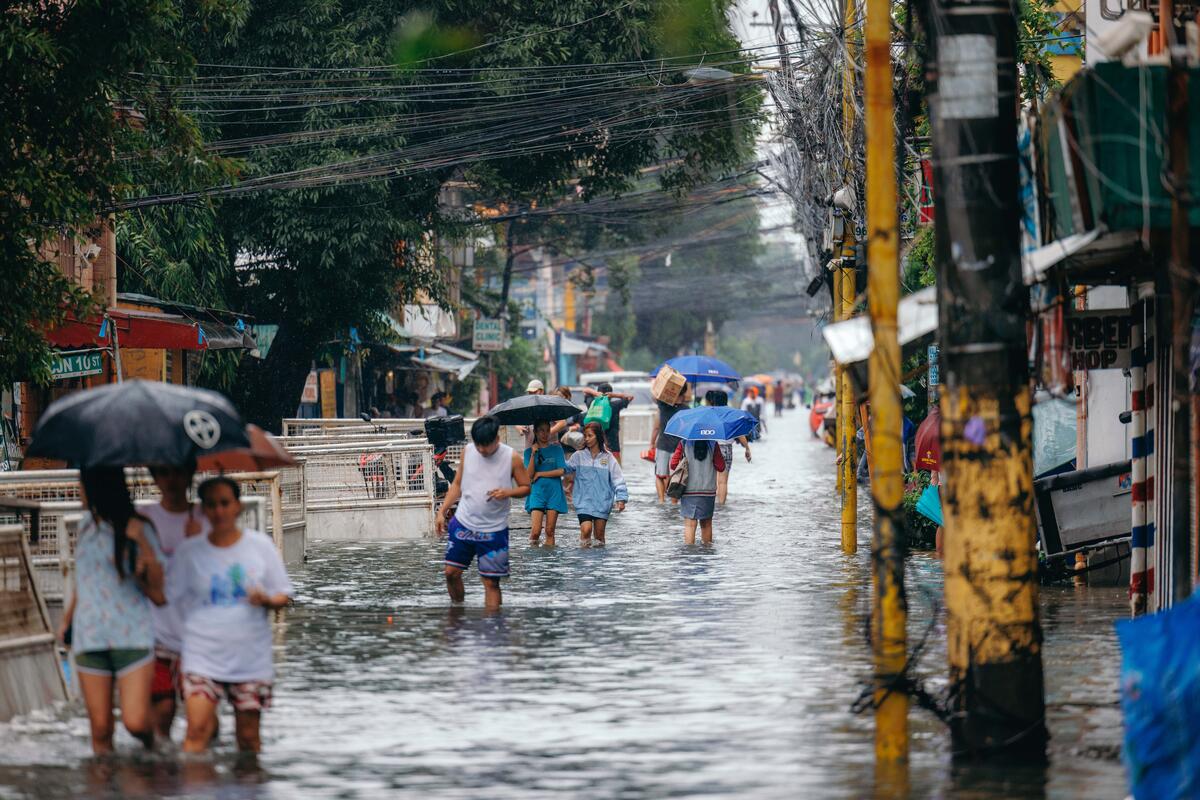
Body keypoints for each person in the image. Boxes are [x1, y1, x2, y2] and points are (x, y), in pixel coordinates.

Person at [169, 476, 294, 755]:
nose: (219, 511)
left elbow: (283, 595)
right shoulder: (190, 551)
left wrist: (265, 599)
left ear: (238, 506)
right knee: (196, 732)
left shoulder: (260, 546)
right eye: (211, 505)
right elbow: (170, 598)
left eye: (225, 503)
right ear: (203, 510)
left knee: (248, 740)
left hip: (249, 657)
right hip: (202, 655)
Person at [59, 467, 166, 754]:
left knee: (135, 722)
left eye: (82, 484)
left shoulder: (139, 527)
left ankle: (156, 749)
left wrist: (142, 546)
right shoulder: (85, 527)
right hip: (90, 635)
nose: (78, 490)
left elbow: (159, 594)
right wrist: (67, 621)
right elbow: (85, 580)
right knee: (101, 730)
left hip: (131, 635)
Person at [143, 463, 211, 740]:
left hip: (199, 637)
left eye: (178, 471)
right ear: (154, 476)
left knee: (204, 723)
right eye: (163, 472)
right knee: (162, 713)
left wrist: (197, 545)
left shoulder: (207, 519)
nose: (171, 479)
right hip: (155, 634)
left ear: (190, 473)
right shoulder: (143, 519)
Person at [437, 415, 531, 609]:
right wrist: (442, 510)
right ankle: (457, 613)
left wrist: (508, 492)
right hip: (463, 523)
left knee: (490, 583)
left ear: (496, 439)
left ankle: (493, 630)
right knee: (450, 573)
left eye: (485, 445)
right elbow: (457, 484)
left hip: (494, 529)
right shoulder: (468, 452)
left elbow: (526, 487)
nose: (481, 450)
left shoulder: (511, 457)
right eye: (478, 444)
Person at [564, 422, 628, 546]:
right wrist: (555, 453)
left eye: (590, 436)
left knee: (599, 537)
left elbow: (618, 479)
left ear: (598, 436)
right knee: (586, 529)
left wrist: (621, 499)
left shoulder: (608, 458)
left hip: (602, 502)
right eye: (585, 436)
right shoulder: (578, 456)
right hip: (583, 501)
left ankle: (598, 563)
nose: (586, 439)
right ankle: (584, 559)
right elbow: (565, 468)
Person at [669, 439, 727, 545]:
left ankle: (689, 553)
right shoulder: (713, 443)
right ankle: (707, 553)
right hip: (708, 490)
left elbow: (673, 465)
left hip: (688, 490)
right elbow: (721, 467)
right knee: (706, 524)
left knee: (690, 525)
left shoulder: (684, 443)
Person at [524, 420, 568, 546]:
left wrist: (541, 474)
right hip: (537, 492)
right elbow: (529, 475)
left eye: (547, 430)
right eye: (541, 430)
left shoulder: (557, 449)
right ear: (535, 432)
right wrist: (533, 454)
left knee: (550, 531)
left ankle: (549, 562)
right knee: (536, 531)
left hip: (554, 492)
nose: (545, 434)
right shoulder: (528, 452)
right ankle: (534, 559)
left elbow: (561, 471)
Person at [704, 390, 751, 505]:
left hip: (711, 448)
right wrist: (747, 448)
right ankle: (721, 506)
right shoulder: (732, 414)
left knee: (712, 479)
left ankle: (711, 506)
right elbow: (739, 434)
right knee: (723, 481)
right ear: (726, 400)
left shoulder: (709, 414)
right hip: (726, 448)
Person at [650, 384, 692, 503]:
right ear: (684, 393)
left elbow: (654, 394)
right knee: (676, 476)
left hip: (663, 445)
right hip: (679, 447)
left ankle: (661, 500)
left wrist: (651, 443)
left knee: (660, 474)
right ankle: (674, 502)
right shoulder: (687, 410)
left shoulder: (663, 406)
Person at [582, 383, 634, 464]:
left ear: (598, 391)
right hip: (612, 444)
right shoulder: (615, 405)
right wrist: (614, 395)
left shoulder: (592, 404)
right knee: (615, 471)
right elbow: (630, 397)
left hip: (595, 444)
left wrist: (595, 393)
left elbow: (585, 390)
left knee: (598, 469)